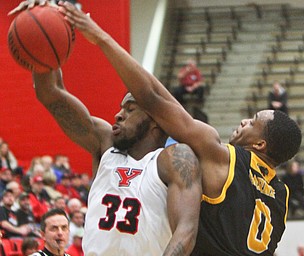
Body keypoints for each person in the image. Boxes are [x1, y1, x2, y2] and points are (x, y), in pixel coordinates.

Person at [46, 3, 302, 255]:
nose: (245, 121)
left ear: (260, 145)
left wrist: (100, 37)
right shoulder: (282, 196)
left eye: (253, 121)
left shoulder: (223, 157)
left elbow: (154, 98)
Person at [10, 2, 203, 256]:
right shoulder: (105, 143)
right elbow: (51, 94)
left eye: (131, 109)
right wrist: (43, 26)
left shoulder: (174, 159)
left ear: (156, 119)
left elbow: (186, 230)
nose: (118, 115)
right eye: (121, 109)